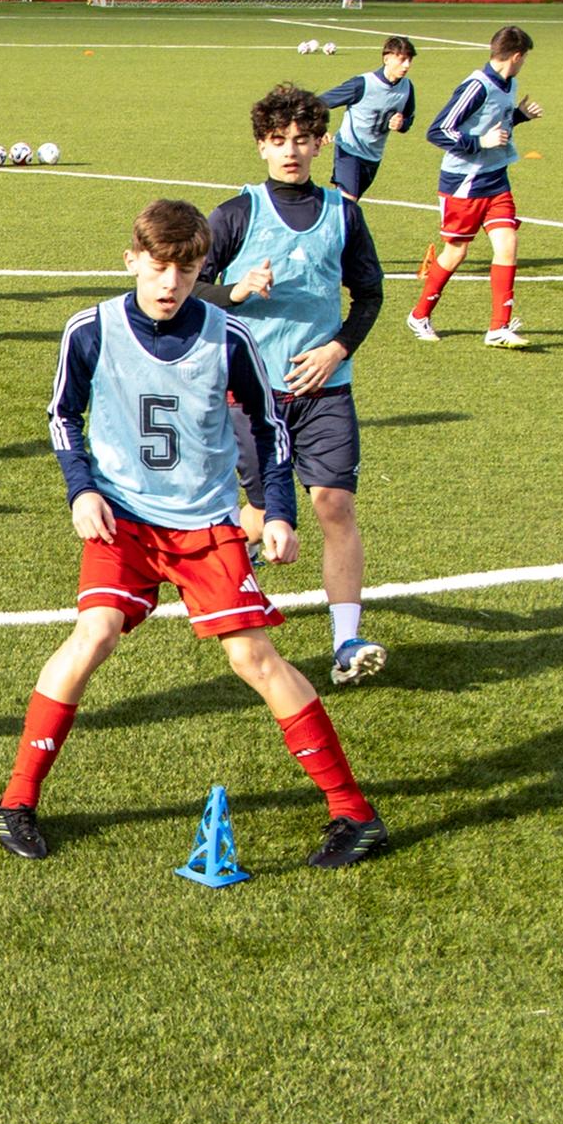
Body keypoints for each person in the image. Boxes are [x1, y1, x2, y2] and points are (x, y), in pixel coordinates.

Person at [0, 196, 385, 868]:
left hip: (205, 523)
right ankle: (17, 802)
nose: (169, 283)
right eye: (157, 267)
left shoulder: (229, 337)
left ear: (203, 266)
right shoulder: (90, 330)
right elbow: (62, 416)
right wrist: (81, 489)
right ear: (132, 261)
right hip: (123, 518)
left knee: (253, 659)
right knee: (94, 635)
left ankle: (354, 814)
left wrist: (280, 511)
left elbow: (269, 428)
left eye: (185, 267)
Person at [204, 85, 387, 683]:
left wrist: (337, 349)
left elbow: (370, 294)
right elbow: (185, 286)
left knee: (333, 504)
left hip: (326, 389)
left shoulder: (343, 213)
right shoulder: (236, 214)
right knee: (261, 513)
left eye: (302, 140)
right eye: (278, 141)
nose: (291, 151)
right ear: (261, 145)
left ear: (319, 143)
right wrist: (233, 291)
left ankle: (346, 641)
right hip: (251, 395)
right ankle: (243, 558)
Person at [404, 25, 539, 348]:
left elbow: (497, 124)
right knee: (456, 252)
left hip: (496, 179)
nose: (523, 64)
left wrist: (518, 116)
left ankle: (498, 327)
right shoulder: (475, 86)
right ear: (517, 56)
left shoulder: (511, 83)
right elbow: (438, 131)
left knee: (508, 243)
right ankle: (419, 314)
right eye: (525, 59)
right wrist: (480, 141)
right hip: (463, 184)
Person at [314, 35, 416, 203]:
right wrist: (319, 129)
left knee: (345, 206)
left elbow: (408, 118)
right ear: (387, 58)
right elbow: (318, 103)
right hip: (349, 150)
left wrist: (401, 123)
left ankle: (321, 212)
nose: (407, 65)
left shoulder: (407, 87)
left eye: (409, 60)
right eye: (402, 59)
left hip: (373, 156)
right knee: (348, 201)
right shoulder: (362, 84)